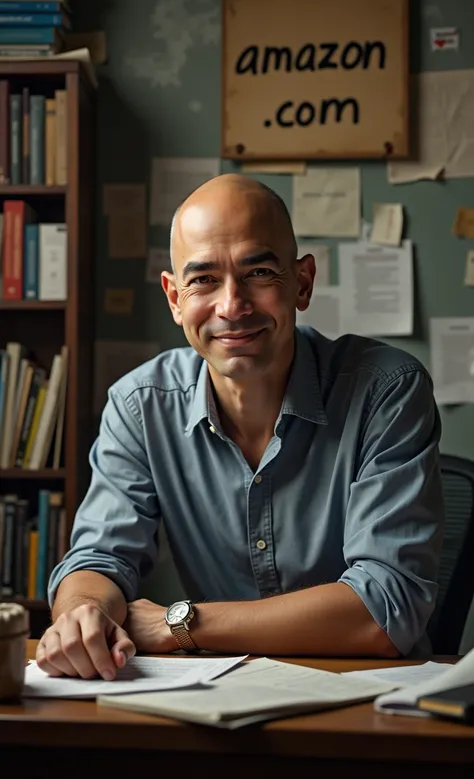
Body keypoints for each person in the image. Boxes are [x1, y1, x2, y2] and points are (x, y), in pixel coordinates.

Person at [37, 174, 444, 681]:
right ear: (174, 297)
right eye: (204, 279)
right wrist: (84, 615)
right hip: (215, 702)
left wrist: (180, 624)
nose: (232, 305)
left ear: (302, 282)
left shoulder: (387, 389)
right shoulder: (139, 405)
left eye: (259, 272)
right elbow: (99, 557)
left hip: (367, 701)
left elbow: (387, 608)